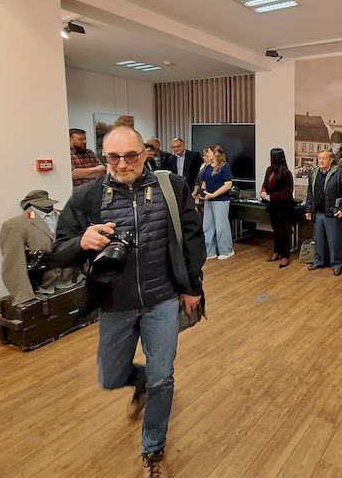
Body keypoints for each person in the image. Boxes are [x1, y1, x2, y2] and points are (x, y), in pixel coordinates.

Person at [51, 126, 205, 478]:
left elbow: (193, 239)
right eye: (113, 157)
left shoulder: (172, 188)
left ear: (145, 154)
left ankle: (153, 447)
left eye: (131, 156)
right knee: (110, 376)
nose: (122, 164)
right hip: (114, 304)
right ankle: (140, 380)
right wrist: (81, 242)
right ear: (104, 157)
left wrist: (192, 286)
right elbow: (59, 251)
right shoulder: (88, 198)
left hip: (162, 299)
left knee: (163, 377)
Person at [0, 190, 78, 304]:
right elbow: (14, 264)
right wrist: (25, 297)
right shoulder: (15, 225)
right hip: (42, 288)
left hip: (74, 281)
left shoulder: (67, 216)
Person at [305, 150, 342, 276]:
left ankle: (337, 264)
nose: (321, 160)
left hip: (332, 213)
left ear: (331, 160)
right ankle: (319, 261)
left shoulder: (338, 172)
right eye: (319, 158)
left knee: (334, 241)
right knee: (318, 240)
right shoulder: (313, 173)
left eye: (324, 158)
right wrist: (308, 210)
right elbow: (310, 193)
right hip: (317, 212)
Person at [260, 148, 295, 269]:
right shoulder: (269, 170)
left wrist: (271, 197)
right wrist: (263, 191)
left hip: (283, 206)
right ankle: (276, 251)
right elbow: (265, 184)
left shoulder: (286, 173)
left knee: (283, 231)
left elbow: (288, 191)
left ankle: (285, 255)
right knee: (275, 230)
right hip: (272, 206)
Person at [200, 145, 235, 260]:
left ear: (215, 153)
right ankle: (210, 252)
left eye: (209, 152)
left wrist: (213, 195)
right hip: (208, 200)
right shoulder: (207, 167)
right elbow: (204, 182)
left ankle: (227, 250)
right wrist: (203, 192)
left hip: (220, 201)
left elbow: (228, 184)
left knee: (221, 227)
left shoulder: (224, 166)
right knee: (207, 227)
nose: (206, 154)